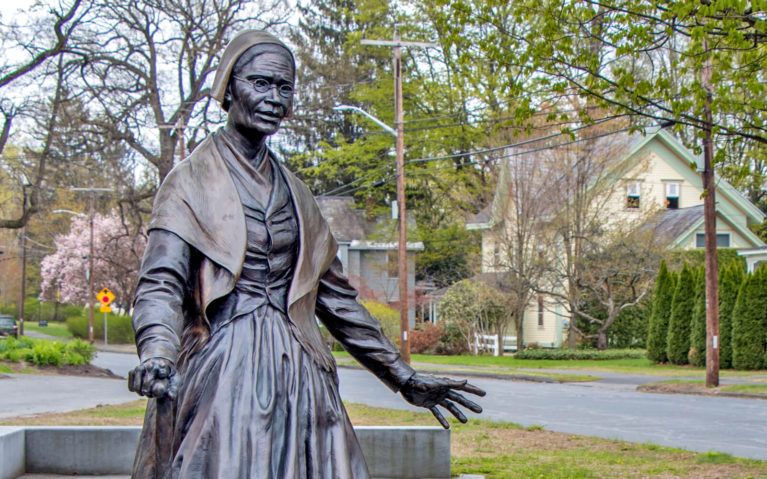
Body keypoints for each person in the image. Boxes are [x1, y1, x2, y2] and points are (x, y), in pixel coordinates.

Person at [127, 29, 484, 478]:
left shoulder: (297, 195)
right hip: (225, 370)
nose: (274, 97)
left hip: (301, 374)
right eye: (260, 83)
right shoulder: (189, 182)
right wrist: (157, 352)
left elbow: (338, 302)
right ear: (229, 87)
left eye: (284, 87)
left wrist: (402, 377)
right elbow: (160, 282)